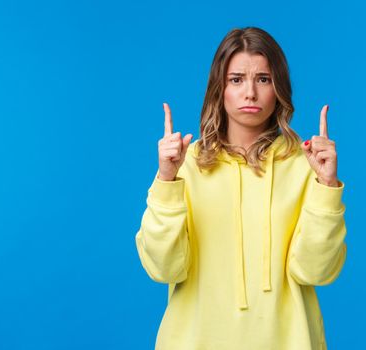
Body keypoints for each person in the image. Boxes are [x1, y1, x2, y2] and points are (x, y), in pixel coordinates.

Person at [135, 26, 347, 350]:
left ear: (279, 88)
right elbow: (163, 268)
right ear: (219, 88)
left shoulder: (307, 165)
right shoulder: (183, 165)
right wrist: (166, 180)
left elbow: (316, 272)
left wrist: (327, 185)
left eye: (263, 79)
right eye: (236, 80)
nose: (250, 92)